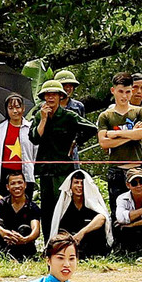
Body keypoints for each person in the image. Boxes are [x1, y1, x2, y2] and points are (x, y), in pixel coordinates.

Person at [33, 81, 90, 211]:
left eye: (54, 94)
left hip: (64, 168)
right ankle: (49, 232)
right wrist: (43, 119)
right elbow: (34, 139)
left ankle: (63, 231)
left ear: (60, 96)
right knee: (47, 207)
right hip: (45, 169)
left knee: (63, 203)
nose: (51, 98)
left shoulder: (69, 116)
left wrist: (76, 142)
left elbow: (91, 129)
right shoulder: (39, 115)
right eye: (48, 95)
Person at [94, 73, 142, 204]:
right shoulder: (105, 116)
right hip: (116, 168)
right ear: (113, 91)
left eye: (127, 92)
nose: (124, 96)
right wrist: (131, 134)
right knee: (116, 208)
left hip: (136, 167)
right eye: (120, 91)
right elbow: (104, 142)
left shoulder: (139, 112)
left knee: (139, 206)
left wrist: (115, 134)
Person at [50, 169, 110, 258]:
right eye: (76, 182)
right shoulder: (66, 205)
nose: (79, 186)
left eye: (82, 183)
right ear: (70, 185)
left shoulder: (91, 203)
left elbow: (102, 217)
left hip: (91, 243)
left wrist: (82, 233)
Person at [0, 171, 43, 261]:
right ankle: (3, 254)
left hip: (23, 244)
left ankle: (19, 256)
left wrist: (25, 239)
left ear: (25, 185)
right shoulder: (2, 202)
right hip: (5, 241)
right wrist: (2, 232)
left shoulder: (32, 206)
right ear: (7, 187)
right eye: (13, 183)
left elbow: (36, 230)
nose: (17, 186)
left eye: (20, 182)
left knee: (24, 228)